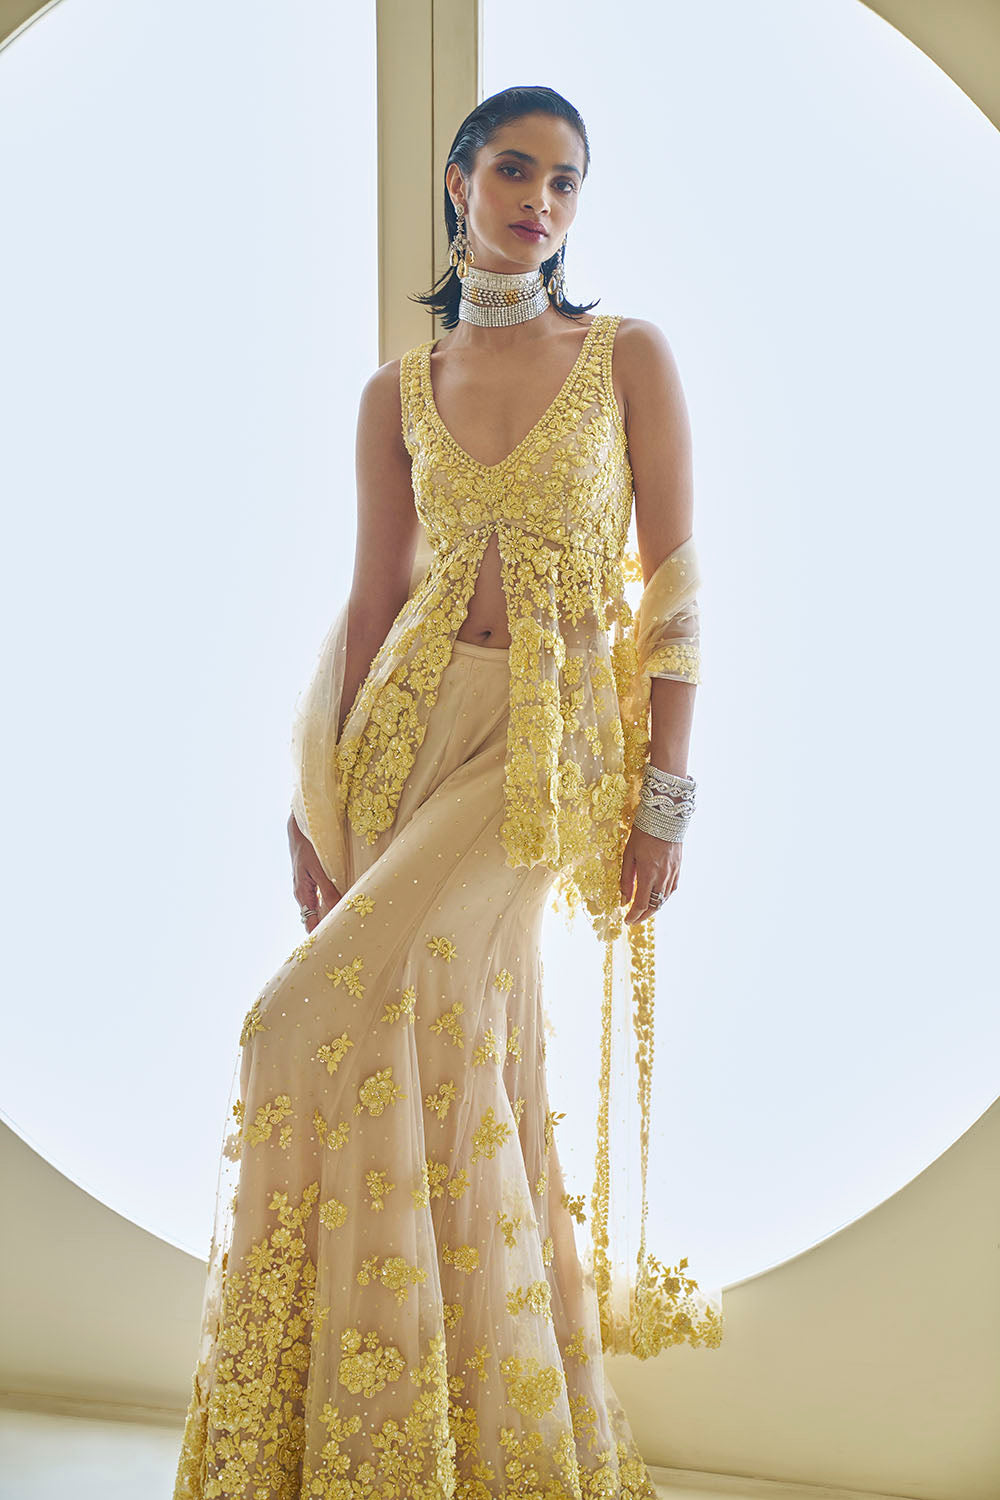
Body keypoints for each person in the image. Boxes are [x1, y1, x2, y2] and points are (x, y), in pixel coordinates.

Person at [173, 84, 723, 1500]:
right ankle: (422, 1444)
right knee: (444, 1054)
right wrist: (315, 799)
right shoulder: (396, 392)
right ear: (459, 181)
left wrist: (664, 797)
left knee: (297, 1022)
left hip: (545, 756)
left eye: (567, 181)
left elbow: (673, 586)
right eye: (517, 170)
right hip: (403, 739)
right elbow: (374, 603)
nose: (542, 200)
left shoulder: (626, 356)